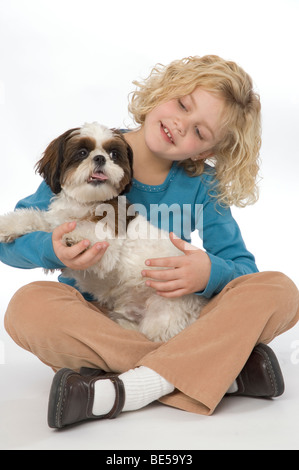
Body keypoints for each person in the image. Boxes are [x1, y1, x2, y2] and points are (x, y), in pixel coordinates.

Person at [2, 55, 299, 429]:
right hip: (97, 316)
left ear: (204, 152)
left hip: (179, 309)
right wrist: (50, 249)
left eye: (200, 132)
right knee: (28, 306)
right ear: (161, 92)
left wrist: (208, 271)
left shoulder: (203, 186)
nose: (180, 124)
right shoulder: (80, 157)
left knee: (279, 290)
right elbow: (8, 242)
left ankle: (124, 387)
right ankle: (220, 372)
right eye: (182, 104)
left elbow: (245, 273)